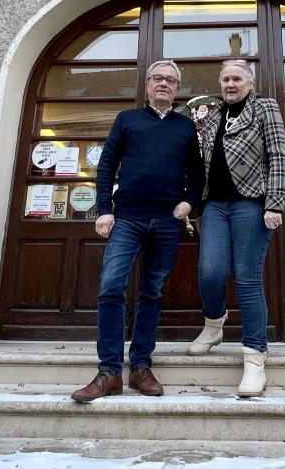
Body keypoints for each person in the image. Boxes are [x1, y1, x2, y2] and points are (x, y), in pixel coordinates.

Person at [71, 59, 205, 403]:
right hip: (127, 218)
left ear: (177, 89)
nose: (163, 84)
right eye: (157, 78)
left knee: (152, 293)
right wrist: (104, 209)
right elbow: (106, 167)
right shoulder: (126, 120)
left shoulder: (185, 128)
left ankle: (141, 367)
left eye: (170, 80)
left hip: (166, 222)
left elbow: (198, 175)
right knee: (111, 287)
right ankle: (110, 372)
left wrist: (189, 203)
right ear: (146, 85)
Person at [188, 59, 285, 397]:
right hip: (214, 205)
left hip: (251, 203)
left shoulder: (264, 108)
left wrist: (274, 202)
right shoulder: (213, 116)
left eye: (237, 79)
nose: (230, 84)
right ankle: (214, 326)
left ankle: (254, 359)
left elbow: (278, 155)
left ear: (249, 82)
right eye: (225, 79)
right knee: (210, 272)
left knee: (247, 279)